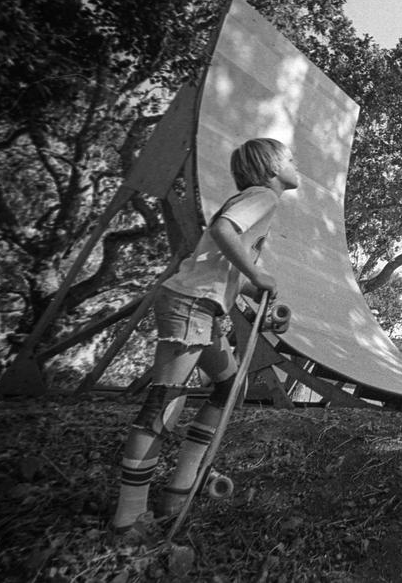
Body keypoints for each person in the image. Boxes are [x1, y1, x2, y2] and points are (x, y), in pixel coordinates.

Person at [111, 138, 299, 532]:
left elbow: (219, 263)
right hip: (191, 304)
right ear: (270, 167)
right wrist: (258, 273)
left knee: (230, 386)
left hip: (202, 306)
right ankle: (128, 519)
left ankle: (181, 488)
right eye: (290, 159)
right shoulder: (265, 196)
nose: (295, 164)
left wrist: (258, 294)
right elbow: (223, 230)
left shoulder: (255, 199)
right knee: (165, 402)